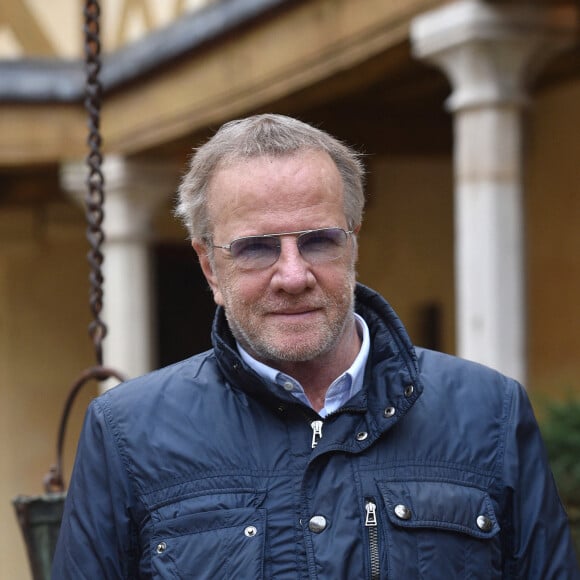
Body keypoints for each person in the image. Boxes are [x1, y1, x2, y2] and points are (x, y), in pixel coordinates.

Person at [52, 113, 579, 579]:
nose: (293, 275)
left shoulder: (489, 412)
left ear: (353, 243)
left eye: (318, 241)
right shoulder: (127, 433)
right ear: (210, 266)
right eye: (256, 248)